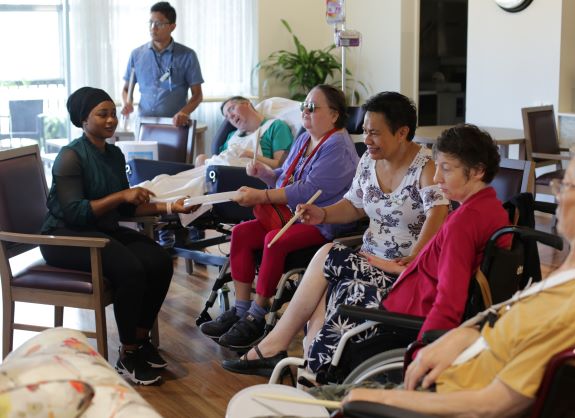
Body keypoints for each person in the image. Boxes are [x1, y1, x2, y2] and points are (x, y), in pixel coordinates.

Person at [336, 137, 575, 417]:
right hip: (448, 373)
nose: (559, 195)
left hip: (437, 400)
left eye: (565, 185)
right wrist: (470, 333)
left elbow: (490, 406)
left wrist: (379, 397)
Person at [222, 124, 511, 377]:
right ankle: (306, 363)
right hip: (413, 281)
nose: (437, 178)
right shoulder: (492, 209)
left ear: (477, 172)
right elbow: (440, 267)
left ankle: (304, 364)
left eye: (446, 169)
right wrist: (391, 264)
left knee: (338, 273)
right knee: (334, 264)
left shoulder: (462, 222)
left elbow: (449, 301)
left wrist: (423, 353)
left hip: (413, 305)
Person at [39, 87, 197, 386]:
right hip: (64, 237)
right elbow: (75, 213)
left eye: (113, 113)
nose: (111, 119)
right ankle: (127, 355)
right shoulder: (70, 157)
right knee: (130, 268)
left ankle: (139, 339)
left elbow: (125, 207)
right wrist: (121, 194)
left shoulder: (113, 153)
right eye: (103, 114)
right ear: (83, 119)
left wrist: (170, 206)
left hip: (99, 230)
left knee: (160, 260)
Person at [199, 84, 360, 348]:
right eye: (304, 107)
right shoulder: (306, 137)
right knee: (241, 233)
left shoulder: (338, 147)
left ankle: (258, 315)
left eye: (312, 107)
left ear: (334, 115)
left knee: (274, 240)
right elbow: (285, 174)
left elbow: (308, 190)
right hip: (291, 214)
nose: (305, 112)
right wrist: (264, 174)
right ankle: (241, 309)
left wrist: (261, 196)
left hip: (323, 220)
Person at [139, 96, 294, 246]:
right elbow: (220, 160)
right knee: (166, 180)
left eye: (232, 108)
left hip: (239, 177)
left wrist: (250, 155)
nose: (231, 116)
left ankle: (150, 202)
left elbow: (279, 167)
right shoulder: (232, 136)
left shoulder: (276, 126)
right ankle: (142, 195)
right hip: (214, 171)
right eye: (227, 115)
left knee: (194, 184)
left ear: (247, 103)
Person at [121, 1, 203, 128]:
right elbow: (126, 89)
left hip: (175, 125)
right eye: (151, 23)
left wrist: (184, 112)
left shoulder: (187, 55)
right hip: (144, 124)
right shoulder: (136, 54)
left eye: (159, 23)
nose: (153, 28)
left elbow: (197, 95)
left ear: (172, 26)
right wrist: (127, 102)